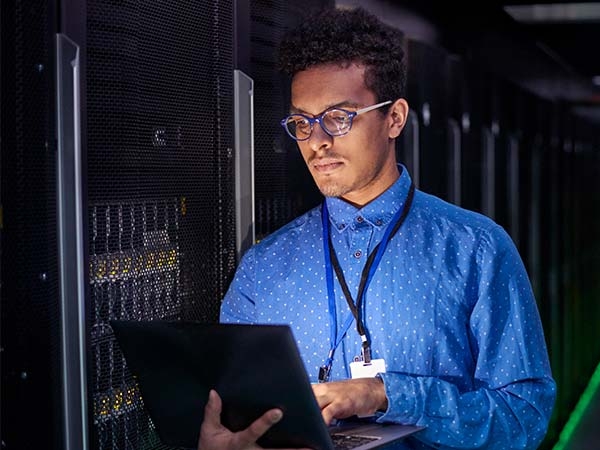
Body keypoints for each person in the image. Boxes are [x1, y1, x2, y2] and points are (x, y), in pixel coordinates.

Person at [199, 6, 555, 450]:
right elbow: (236, 411)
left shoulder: (476, 250)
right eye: (303, 123)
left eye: (338, 118)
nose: (317, 142)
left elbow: (524, 417)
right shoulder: (263, 267)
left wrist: (388, 395)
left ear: (395, 118)